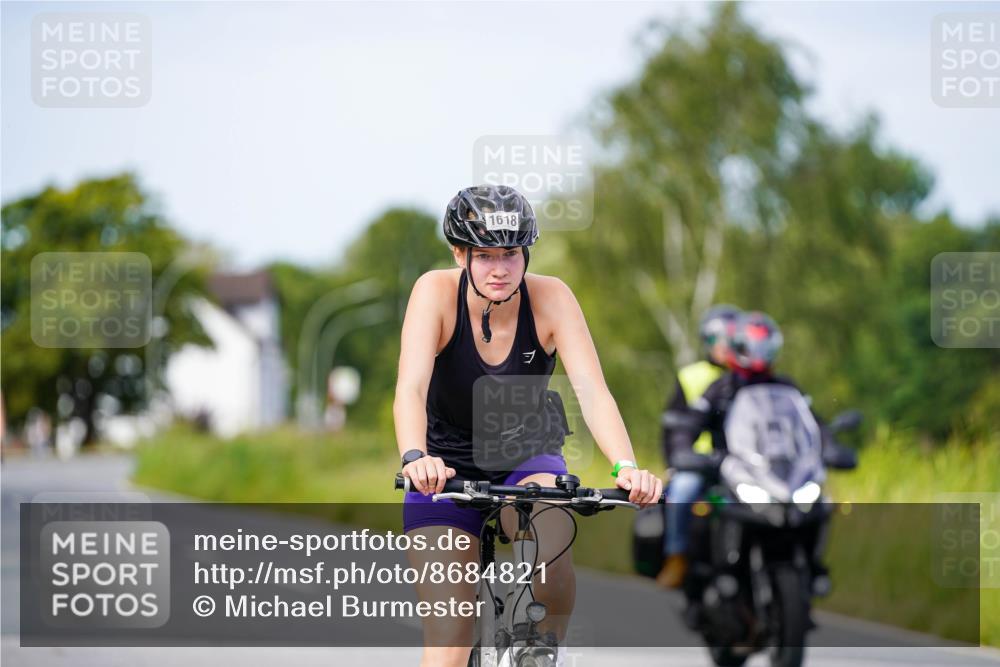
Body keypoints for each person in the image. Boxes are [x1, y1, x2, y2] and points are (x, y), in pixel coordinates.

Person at [394, 184, 662, 667]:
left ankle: (539, 654)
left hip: (526, 456)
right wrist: (416, 457)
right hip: (445, 467)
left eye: (512, 254)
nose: (500, 268)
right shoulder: (432, 292)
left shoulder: (552, 297)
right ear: (460, 254)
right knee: (449, 643)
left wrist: (626, 465)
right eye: (485, 255)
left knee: (551, 557)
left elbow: (594, 392)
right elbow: (411, 386)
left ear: (526, 254)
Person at [656, 305, 741, 589]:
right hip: (698, 461)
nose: (726, 347)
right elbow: (674, 424)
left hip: (741, 463)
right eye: (719, 340)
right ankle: (676, 556)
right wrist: (676, 460)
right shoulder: (691, 376)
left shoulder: (751, 377)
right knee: (681, 489)